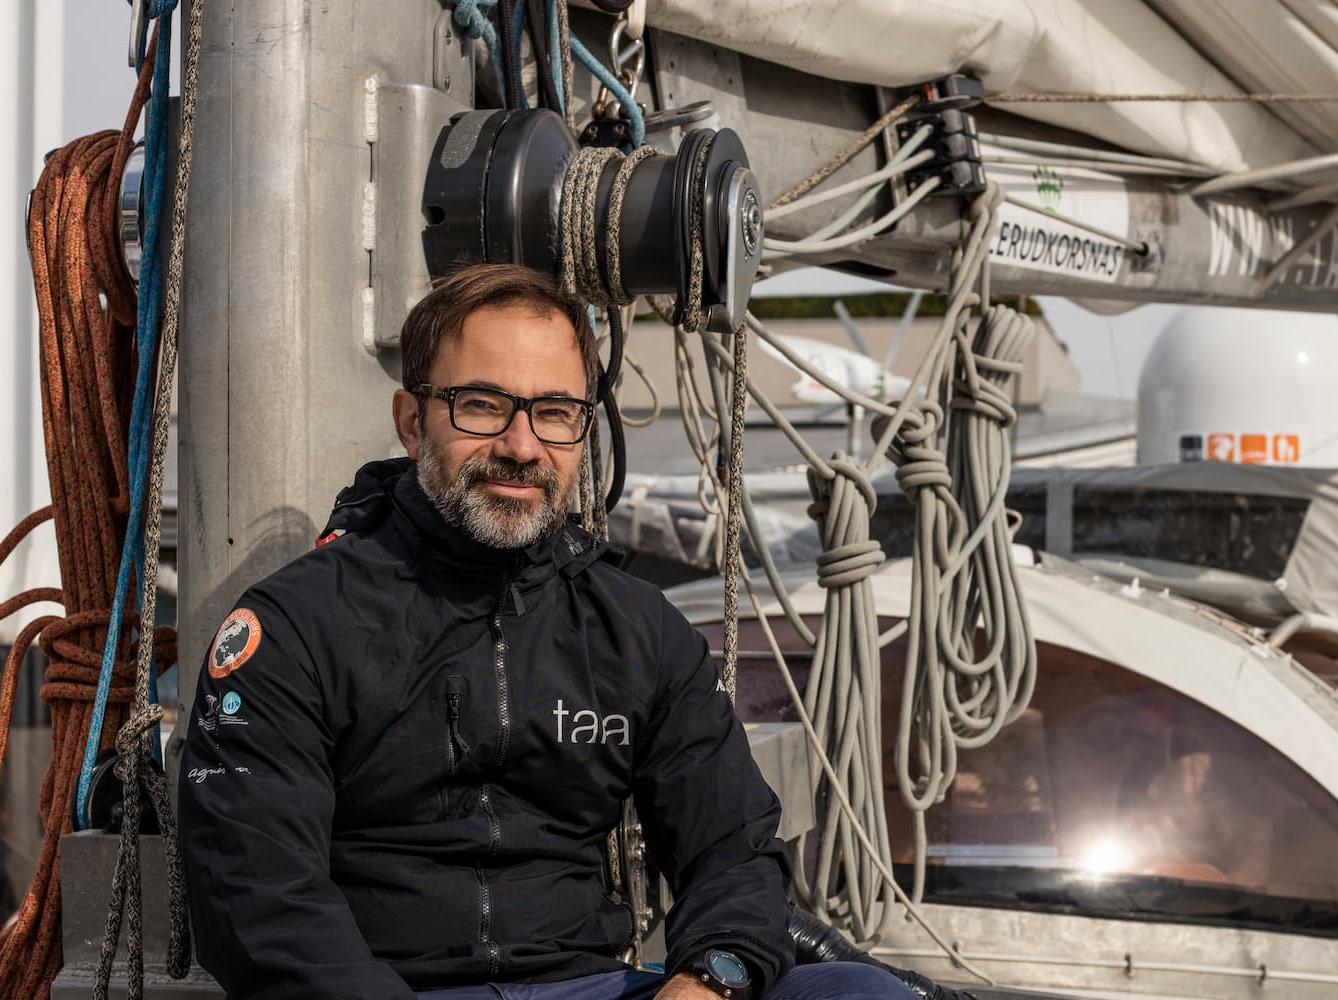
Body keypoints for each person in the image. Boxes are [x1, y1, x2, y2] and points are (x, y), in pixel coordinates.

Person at [178, 263, 916, 1000]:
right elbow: (259, 896)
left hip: (591, 986)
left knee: (857, 993)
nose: (522, 445)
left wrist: (708, 979)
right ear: (412, 421)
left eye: (556, 411)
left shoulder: (633, 627)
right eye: (482, 405)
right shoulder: (296, 628)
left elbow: (734, 852)